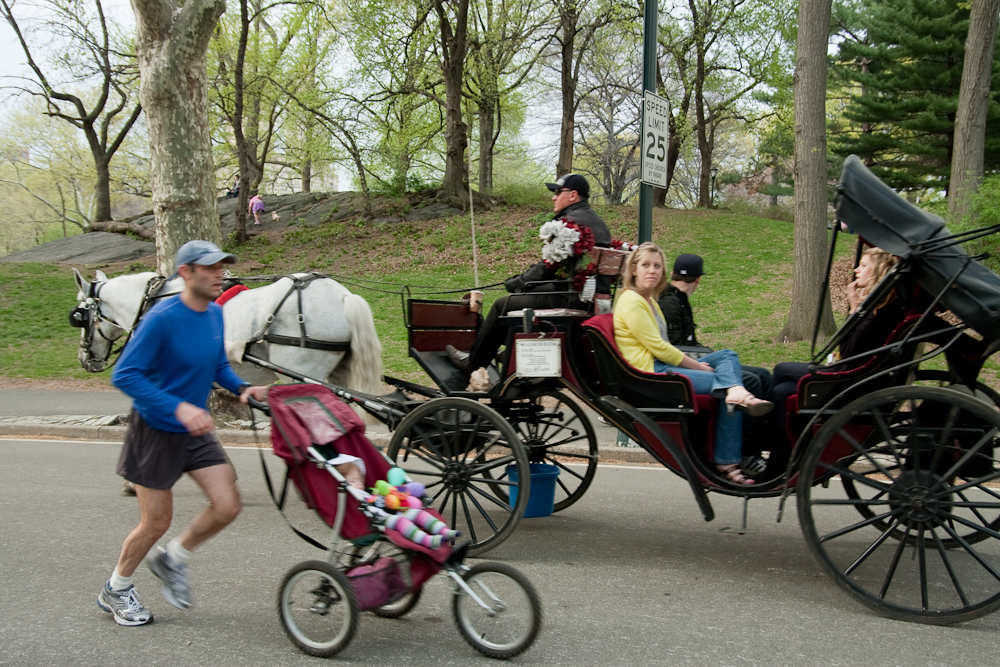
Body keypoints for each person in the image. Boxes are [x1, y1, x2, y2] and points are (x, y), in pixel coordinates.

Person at [97, 240, 268, 626]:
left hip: (195, 431)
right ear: (186, 272)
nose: (220, 273)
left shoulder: (214, 313)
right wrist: (178, 407)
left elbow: (216, 366)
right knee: (156, 522)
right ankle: (116, 588)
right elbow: (125, 375)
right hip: (156, 431)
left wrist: (242, 388)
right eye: (210, 267)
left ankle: (172, 559)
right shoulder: (162, 318)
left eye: (222, 266)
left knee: (227, 505)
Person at [614, 243, 772, 485]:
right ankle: (727, 460)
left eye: (657, 266)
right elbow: (660, 348)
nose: (652, 271)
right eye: (646, 265)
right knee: (723, 387)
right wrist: (698, 366)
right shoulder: (632, 301)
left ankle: (736, 390)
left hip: (663, 362)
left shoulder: (650, 301)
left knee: (726, 355)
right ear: (634, 269)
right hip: (653, 371)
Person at [446, 173, 610, 374]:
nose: (554, 197)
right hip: (589, 300)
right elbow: (556, 267)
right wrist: (524, 282)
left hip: (568, 298)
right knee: (525, 295)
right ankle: (511, 353)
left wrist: (517, 282)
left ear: (573, 195)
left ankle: (474, 362)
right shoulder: (598, 223)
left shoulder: (570, 224)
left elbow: (547, 268)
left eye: (558, 192)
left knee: (502, 304)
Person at [765, 246, 904, 476]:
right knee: (782, 391)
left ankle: (774, 460)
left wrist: (854, 308)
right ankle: (782, 458)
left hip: (852, 379)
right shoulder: (884, 304)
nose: (856, 270)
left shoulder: (879, 311)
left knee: (781, 370)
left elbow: (847, 350)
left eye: (863, 265)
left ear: (878, 270)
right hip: (860, 374)